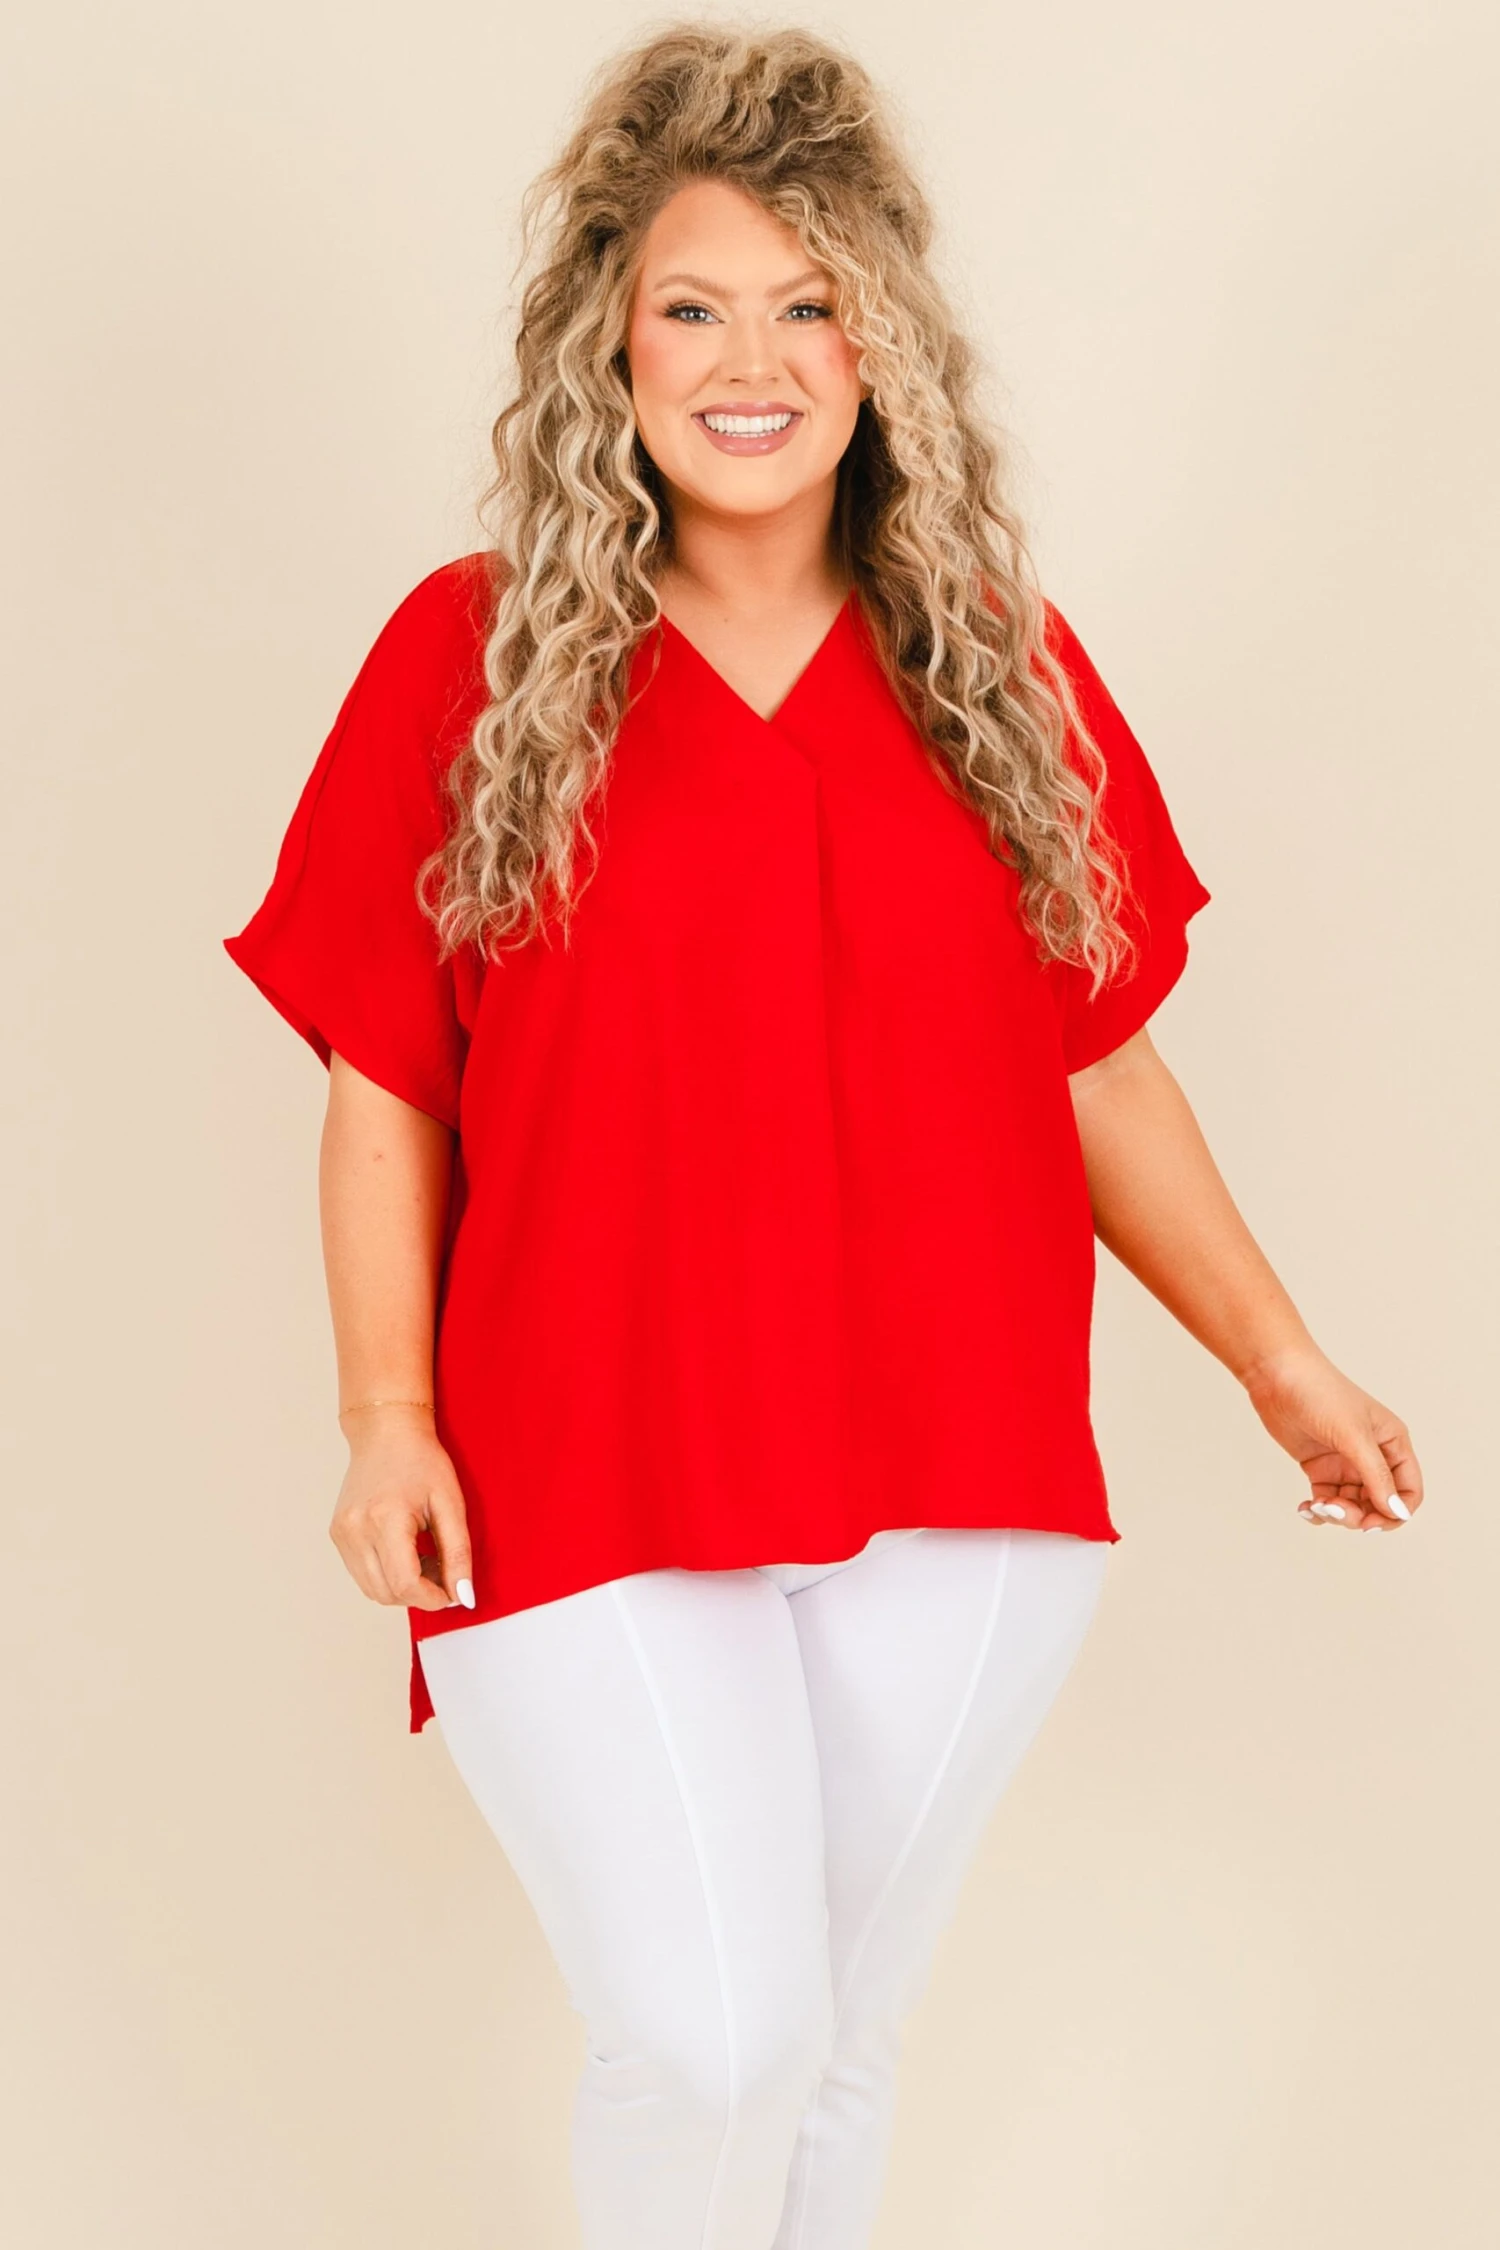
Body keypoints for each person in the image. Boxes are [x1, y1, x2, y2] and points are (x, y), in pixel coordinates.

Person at [223, 24, 1425, 2250]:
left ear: (883, 346)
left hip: (957, 1457)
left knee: (838, 2048)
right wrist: (384, 1414)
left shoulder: (996, 667)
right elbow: (382, 1071)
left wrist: (1284, 1363)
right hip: (583, 1449)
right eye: (694, 306)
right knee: (712, 2037)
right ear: (610, 341)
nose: (752, 361)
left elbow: (1099, 1063)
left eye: (808, 303)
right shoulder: (470, 662)